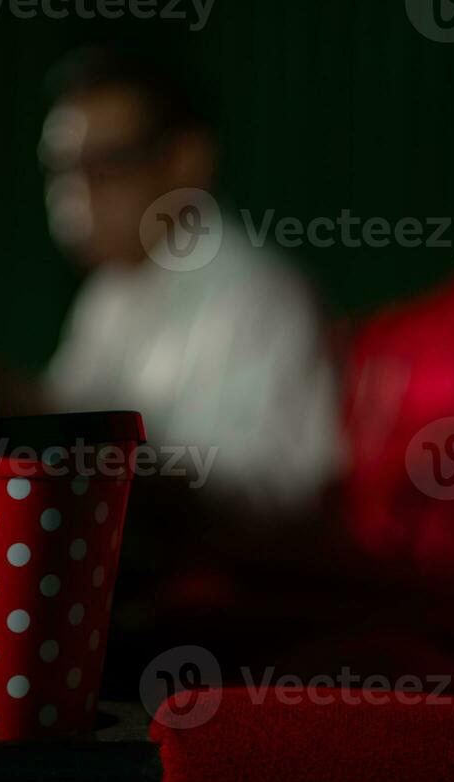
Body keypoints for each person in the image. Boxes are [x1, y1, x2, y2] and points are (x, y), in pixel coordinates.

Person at [37, 47, 344, 516]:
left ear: (186, 162)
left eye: (106, 165)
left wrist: (117, 470)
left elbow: (279, 493)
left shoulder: (258, 296)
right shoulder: (109, 293)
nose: (73, 196)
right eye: (61, 170)